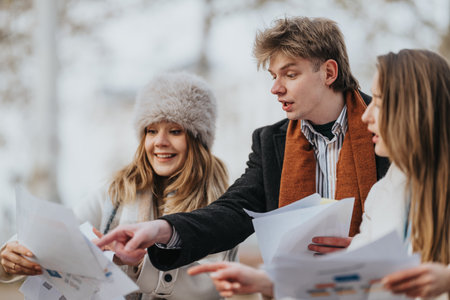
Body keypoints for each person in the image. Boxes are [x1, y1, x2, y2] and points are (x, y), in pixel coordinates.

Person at [96, 16, 390, 270]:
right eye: (274, 76)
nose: (276, 88)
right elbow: (233, 212)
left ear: (328, 72)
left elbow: (419, 218)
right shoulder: (270, 142)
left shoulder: (390, 132)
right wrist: (161, 228)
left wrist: (367, 249)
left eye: (290, 74)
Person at [188, 49, 450, 300]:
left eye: (380, 101)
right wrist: (266, 282)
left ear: (416, 107)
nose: (368, 115)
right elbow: (353, 276)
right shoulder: (384, 193)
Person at [0, 72, 237, 299]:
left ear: (198, 140)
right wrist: (12, 253)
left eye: (175, 131)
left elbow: (210, 287)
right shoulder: (117, 193)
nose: (160, 142)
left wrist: (138, 262)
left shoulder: (221, 205)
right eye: (151, 131)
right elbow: (62, 230)